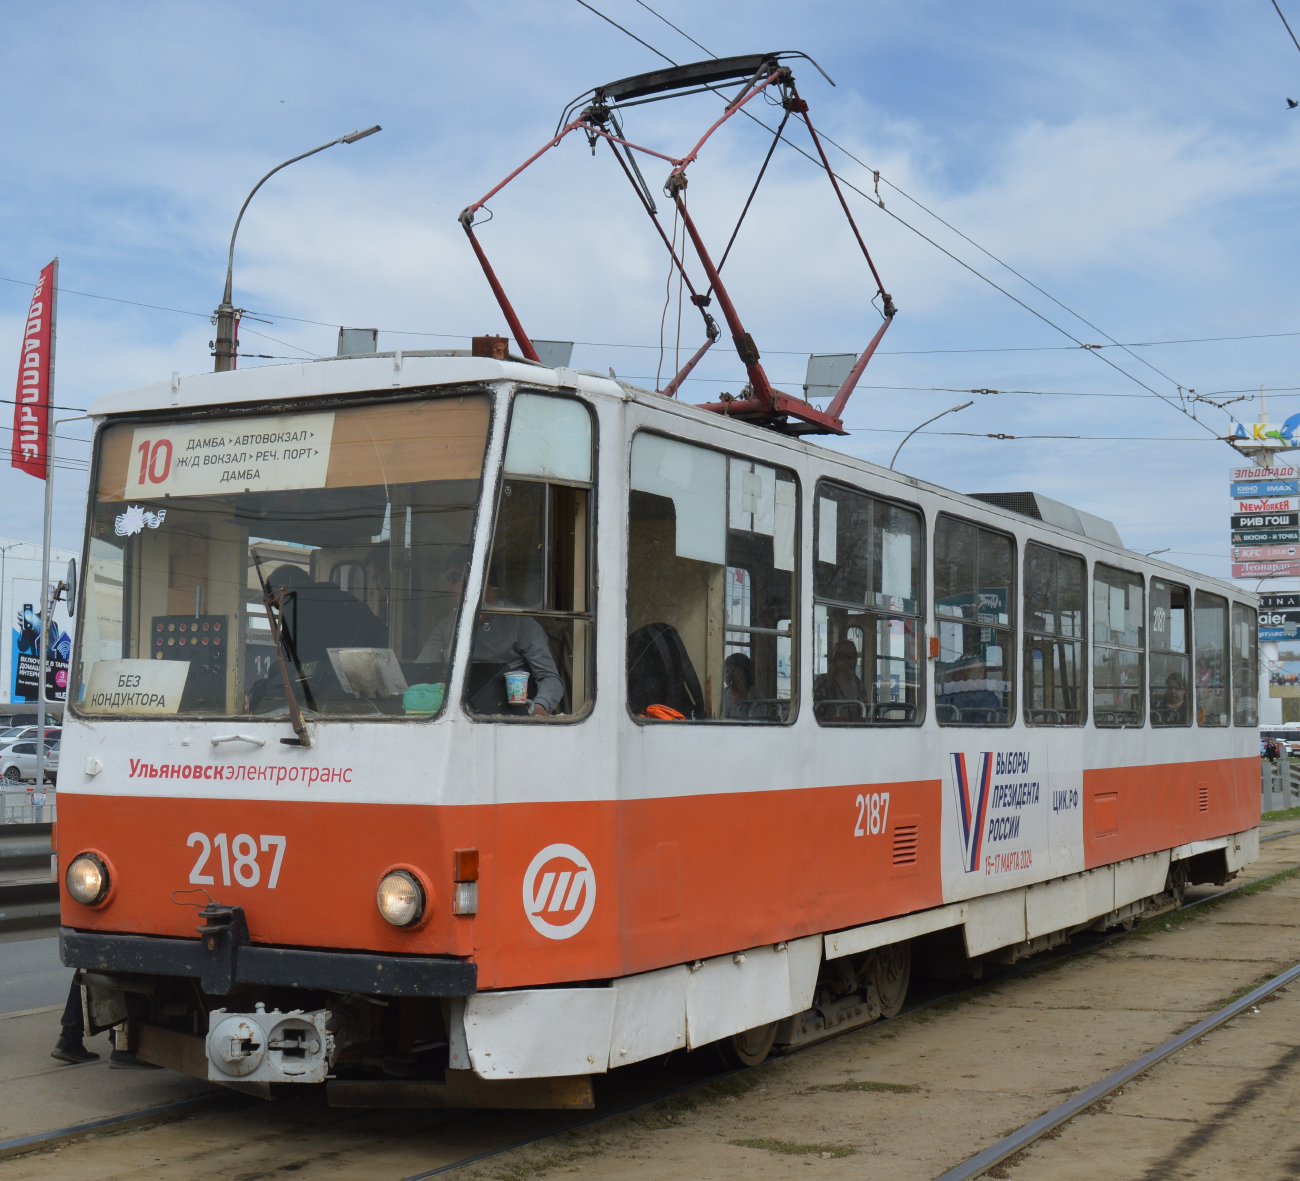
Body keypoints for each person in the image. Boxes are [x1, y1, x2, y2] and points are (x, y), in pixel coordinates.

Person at [417, 548, 563, 716]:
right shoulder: (446, 627)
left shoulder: (521, 623)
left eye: (454, 578)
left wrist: (539, 708)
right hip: (454, 717)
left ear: (482, 580)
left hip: (509, 720)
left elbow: (550, 678)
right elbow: (422, 672)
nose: (448, 586)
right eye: (447, 579)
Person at [814, 639, 868, 706]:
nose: (845, 660)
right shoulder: (822, 681)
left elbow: (865, 709)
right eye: (841, 656)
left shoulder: (859, 685)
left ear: (855, 659)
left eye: (850, 656)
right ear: (834, 659)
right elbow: (817, 708)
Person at [723, 651, 763, 718]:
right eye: (727, 671)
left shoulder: (756, 696)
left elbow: (755, 724)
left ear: (746, 674)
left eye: (734, 671)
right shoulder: (722, 696)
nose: (729, 675)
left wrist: (742, 698)